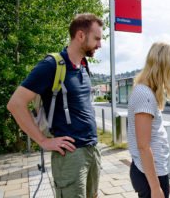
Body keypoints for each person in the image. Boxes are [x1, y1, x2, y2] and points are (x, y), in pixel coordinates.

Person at [7, 13, 103, 198]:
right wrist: (43, 141)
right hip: (71, 156)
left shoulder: (83, 66)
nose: (99, 44)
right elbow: (16, 104)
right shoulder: (51, 65)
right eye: (97, 38)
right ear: (80, 35)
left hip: (93, 150)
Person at [127, 42, 170, 198]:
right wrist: (155, 188)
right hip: (150, 176)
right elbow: (143, 146)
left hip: (151, 172)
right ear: (165, 66)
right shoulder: (145, 95)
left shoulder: (145, 92)